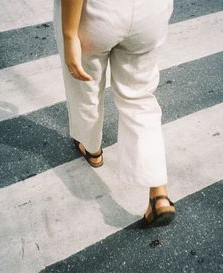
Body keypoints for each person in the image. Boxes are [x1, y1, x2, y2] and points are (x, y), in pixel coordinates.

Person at [53, 0, 175, 227]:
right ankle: (159, 195)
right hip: (151, 13)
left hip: (98, 12)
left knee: (85, 87)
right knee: (139, 97)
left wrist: (70, 35)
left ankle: (93, 149)